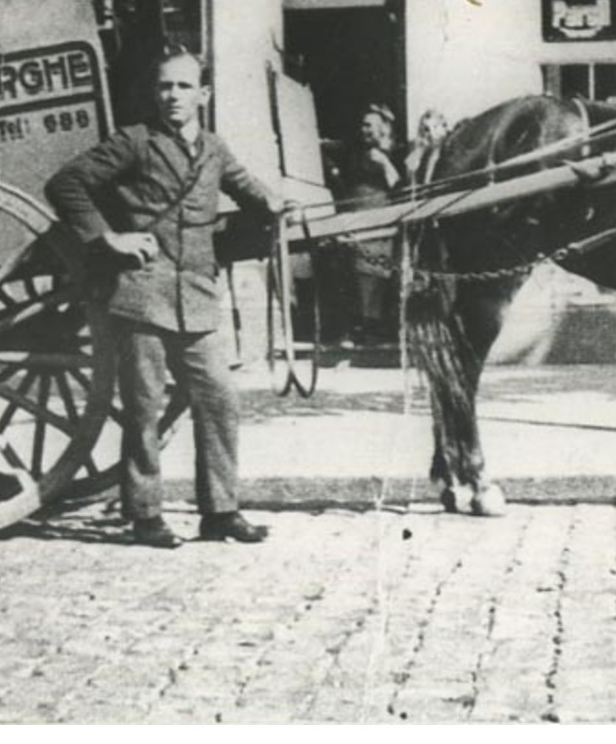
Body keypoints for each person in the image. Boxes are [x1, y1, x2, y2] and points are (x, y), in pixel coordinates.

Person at [46, 46, 282, 548]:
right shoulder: (134, 142)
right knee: (143, 407)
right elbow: (67, 184)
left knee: (219, 399)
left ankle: (220, 511)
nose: (173, 96)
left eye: (182, 87)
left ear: (203, 94)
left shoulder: (214, 149)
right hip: (141, 292)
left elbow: (247, 188)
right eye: (164, 87)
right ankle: (144, 513)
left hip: (195, 297)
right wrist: (106, 237)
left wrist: (278, 202)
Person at [334, 103, 404, 346]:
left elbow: (397, 186)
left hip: (376, 217)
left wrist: (385, 164)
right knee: (360, 273)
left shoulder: (385, 154)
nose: (363, 130)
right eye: (362, 125)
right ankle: (363, 325)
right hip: (359, 216)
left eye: (368, 126)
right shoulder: (360, 150)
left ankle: (369, 326)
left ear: (382, 128)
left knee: (372, 275)